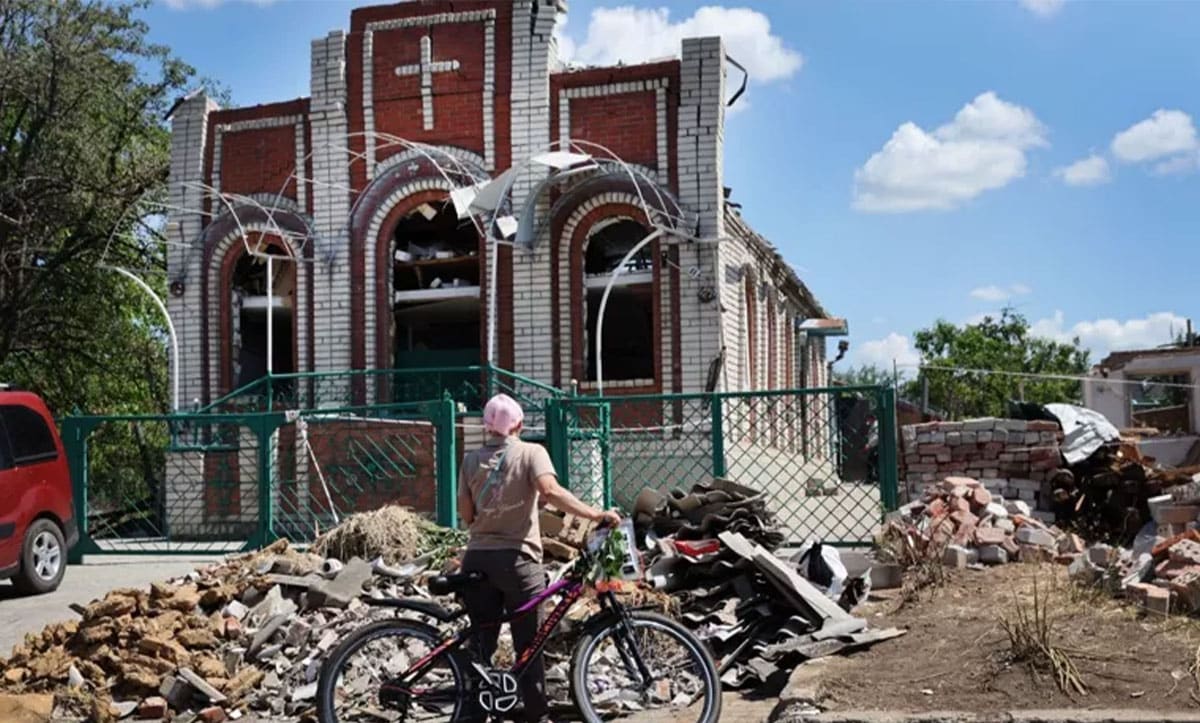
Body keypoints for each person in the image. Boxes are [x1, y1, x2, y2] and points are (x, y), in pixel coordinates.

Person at [458, 393, 620, 723]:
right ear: (518, 424)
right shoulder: (532, 452)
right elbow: (550, 492)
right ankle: (537, 716)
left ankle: (472, 713)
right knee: (529, 644)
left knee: (481, 644)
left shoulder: (471, 460)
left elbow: (466, 513)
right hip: (518, 560)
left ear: (488, 426)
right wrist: (594, 514)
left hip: (477, 559)